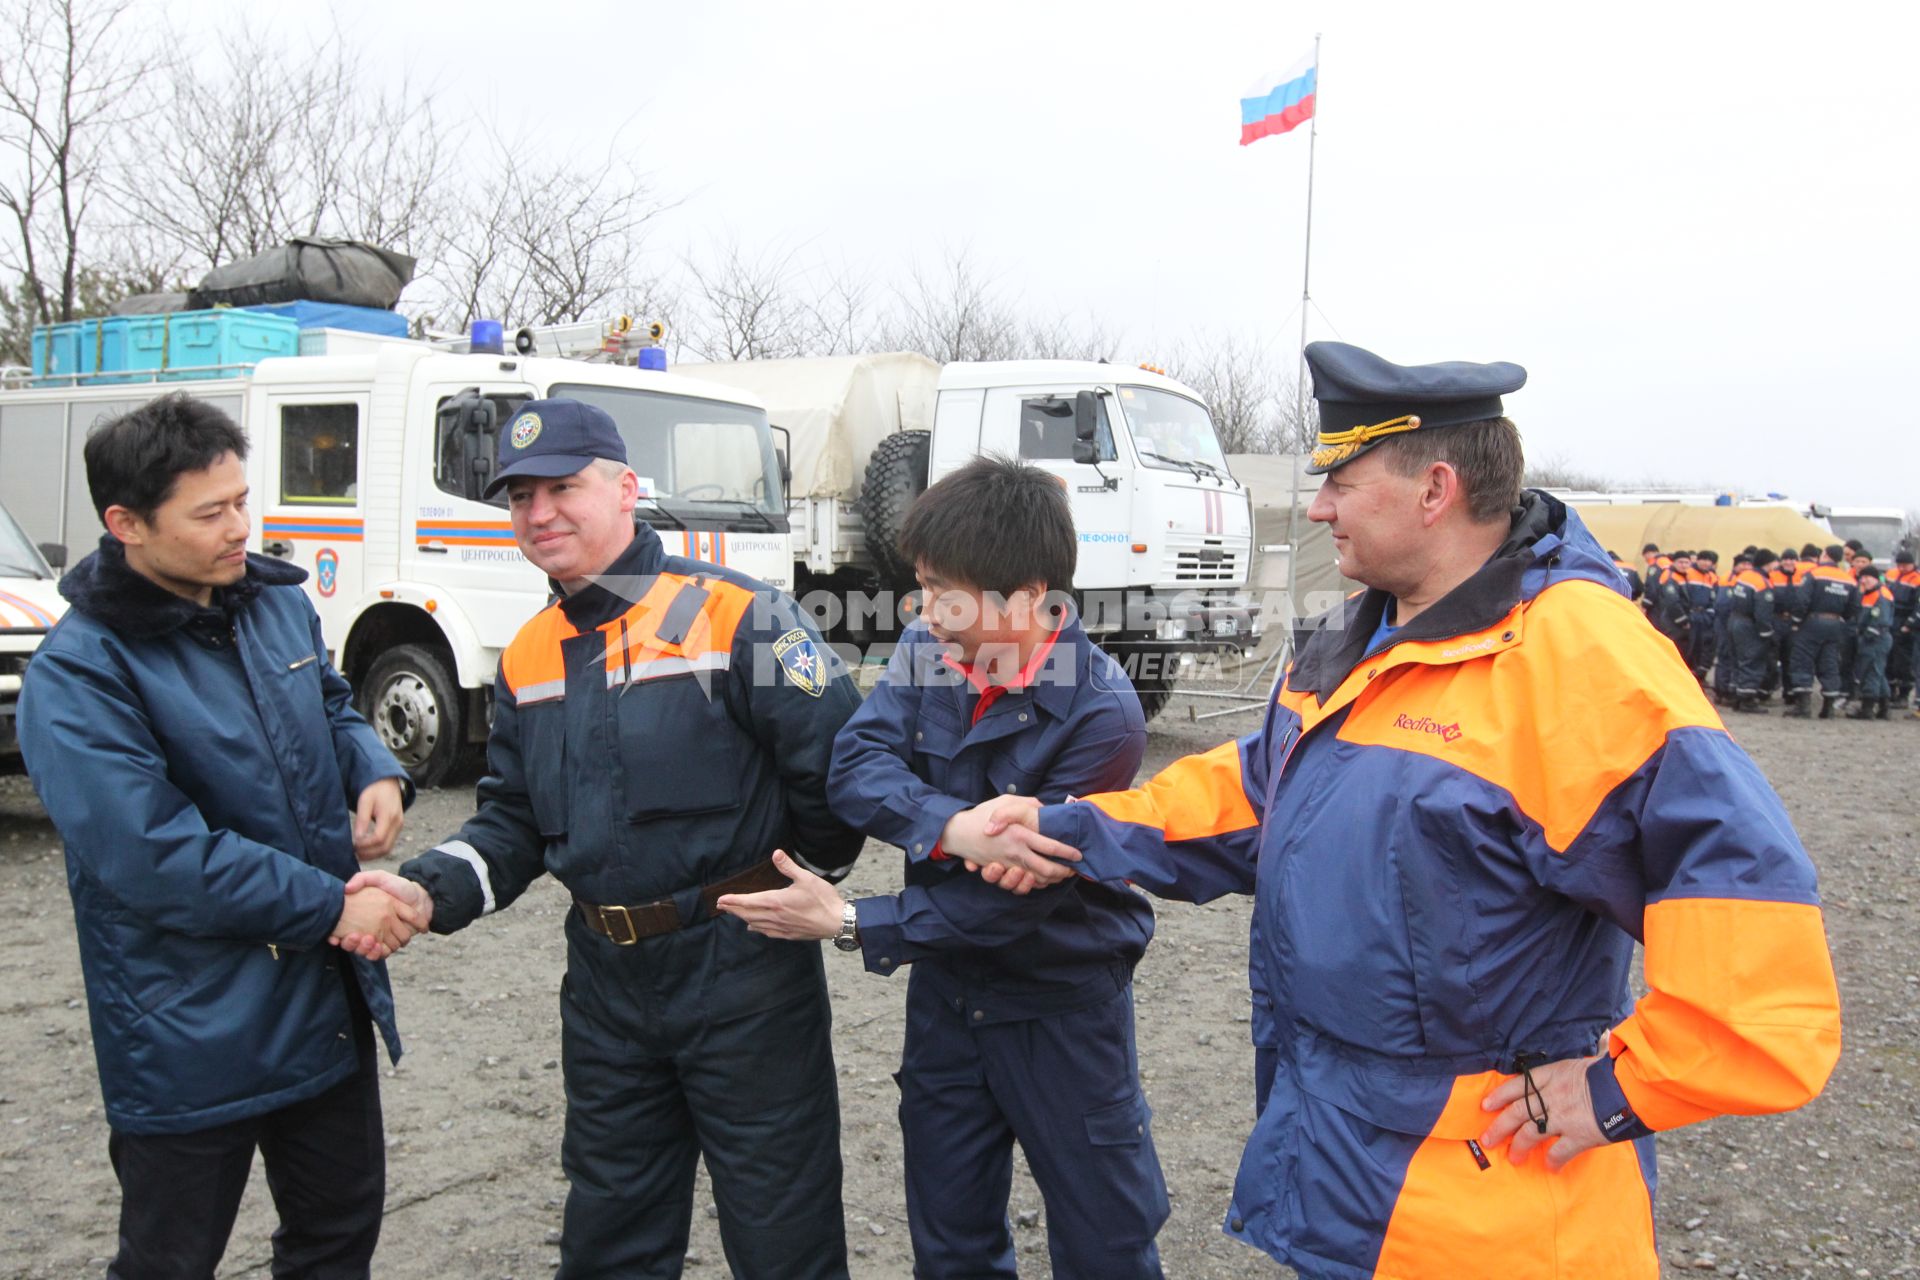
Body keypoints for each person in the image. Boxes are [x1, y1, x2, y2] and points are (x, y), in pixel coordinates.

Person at [943, 341, 1843, 1279]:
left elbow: (1753, 923)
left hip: (1492, 1214)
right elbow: (1259, 796)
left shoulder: (1577, 657)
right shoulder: (1353, 636)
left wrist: (1622, 1088)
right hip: (1347, 1169)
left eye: (1341, 478)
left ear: (1435, 489)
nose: (1321, 504)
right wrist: (1072, 827)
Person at [349, 398, 866, 1278]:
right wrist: (427, 889)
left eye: (562, 487)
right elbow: (511, 821)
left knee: (784, 1231)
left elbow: (839, 773)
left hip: (742, 974)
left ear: (626, 490)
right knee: (610, 1231)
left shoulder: (741, 617)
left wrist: (801, 883)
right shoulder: (527, 654)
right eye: (519, 496)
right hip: (605, 988)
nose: (538, 512)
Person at [716, 456, 1166, 1279]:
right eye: (921, 586)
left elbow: (1015, 906)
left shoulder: (1102, 714)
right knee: (950, 1239)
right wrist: (953, 827)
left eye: (942, 590)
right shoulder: (931, 650)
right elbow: (855, 765)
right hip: (948, 1005)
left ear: (1030, 596)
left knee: (1106, 1239)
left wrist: (853, 922)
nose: (923, 609)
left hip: (1060, 1009)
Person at [16, 393, 418, 1279]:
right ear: (127, 524)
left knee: (338, 1234)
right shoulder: (81, 675)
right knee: (170, 1259)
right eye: (210, 513)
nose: (241, 527)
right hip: (189, 1025)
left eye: (242, 500)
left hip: (322, 1002)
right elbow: (157, 856)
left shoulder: (270, 601)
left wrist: (373, 767)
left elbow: (330, 700)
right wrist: (334, 905)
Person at [1787, 544, 1860, 719]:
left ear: (1825, 555)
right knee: (1830, 663)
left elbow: (1802, 600)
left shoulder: (1814, 574)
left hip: (1812, 623)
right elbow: (1855, 606)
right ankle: (1828, 707)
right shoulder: (1849, 579)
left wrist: (1796, 621)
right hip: (1835, 624)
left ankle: (1803, 706)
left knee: (1802, 660)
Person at [1722, 549, 1777, 713]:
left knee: (1737, 659)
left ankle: (1737, 696)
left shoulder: (1744, 577)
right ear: (1768, 563)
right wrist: (1767, 632)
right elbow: (1762, 612)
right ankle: (1748, 700)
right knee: (1751, 660)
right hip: (1749, 625)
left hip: (1734, 620)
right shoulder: (1762, 583)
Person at [1847, 564, 1894, 720]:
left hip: (1876, 638)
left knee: (1871, 672)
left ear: (1876, 578)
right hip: (1875, 637)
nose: (1864, 580)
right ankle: (1884, 707)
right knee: (1878, 673)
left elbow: (1879, 620)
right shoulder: (1869, 593)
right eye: (1862, 577)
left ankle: (1867, 708)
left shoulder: (1881, 595)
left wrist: (1866, 635)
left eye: (1868, 577)